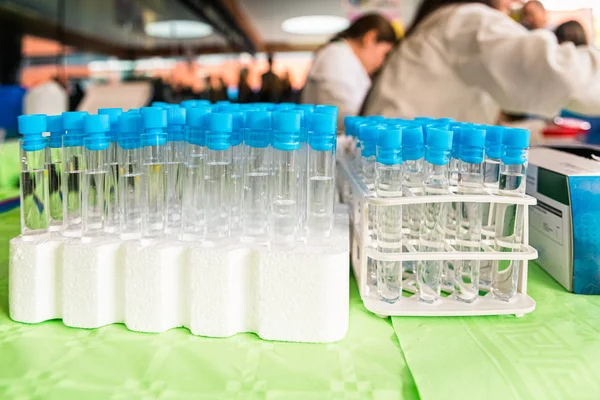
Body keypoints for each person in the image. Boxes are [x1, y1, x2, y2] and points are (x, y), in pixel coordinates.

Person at [361, 0, 600, 125]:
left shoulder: (443, 20)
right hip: (401, 179)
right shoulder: (468, 21)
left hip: (392, 173)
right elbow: (564, 76)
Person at [301, 13, 397, 127]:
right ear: (370, 38)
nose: (381, 63)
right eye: (384, 54)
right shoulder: (336, 56)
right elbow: (345, 116)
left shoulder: (344, 57)